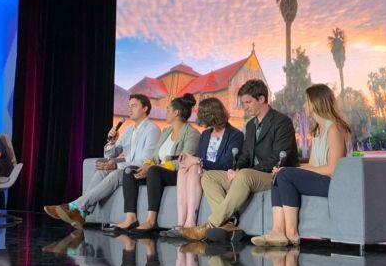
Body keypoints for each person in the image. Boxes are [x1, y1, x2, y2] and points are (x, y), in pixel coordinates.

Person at [182, 79, 299, 242]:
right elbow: (244, 155)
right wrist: (235, 169)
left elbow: (278, 158)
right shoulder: (251, 125)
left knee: (244, 175)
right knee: (209, 177)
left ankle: (211, 224)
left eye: (248, 102)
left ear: (262, 99)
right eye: (243, 103)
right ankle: (228, 224)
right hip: (249, 175)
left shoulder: (282, 122)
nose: (245, 107)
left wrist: (245, 172)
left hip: (275, 175)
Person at [253, 84, 351, 247]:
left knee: (285, 174)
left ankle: (291, 233)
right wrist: (288, 170)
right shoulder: (318, 130)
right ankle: (277, 231)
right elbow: (312, 165)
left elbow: (333, 168)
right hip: (321, 178)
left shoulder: (334, 128)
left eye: (306, 101)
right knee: (279, 174)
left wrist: (290, 172)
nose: (304, 105)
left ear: (315, 103)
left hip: (333, 183)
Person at [44, 94, 160, 228]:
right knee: (101, 172)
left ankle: (74, 206)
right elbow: (110, 153)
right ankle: (82, 214)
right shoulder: (129, 130)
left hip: (140, 172)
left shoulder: (152, 130)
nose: (129, 109)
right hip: (126, 170)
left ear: (145, 108)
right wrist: (111, 142)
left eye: (134, 106)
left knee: (116, 173)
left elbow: (145, 161)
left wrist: (116, 164)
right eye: (129, 106)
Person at [110, 94, 200, 234]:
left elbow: (184, 161)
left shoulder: (192, 134)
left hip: (177, 173)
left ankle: (151, 220)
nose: (166, 112)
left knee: (154, 171)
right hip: (157, 171)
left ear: (176, 113)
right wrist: (147, 165)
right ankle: (130, 218)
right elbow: (154, 157)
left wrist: (154, 167)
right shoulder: (166, 132)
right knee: (129, 171)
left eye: (168, 110)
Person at [161, 97, 243, 239]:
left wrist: (197, 161)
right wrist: (188, 160)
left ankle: (190, 222)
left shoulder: (235, 135)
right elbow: (198, 158)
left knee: (193, 168)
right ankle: (181, 222)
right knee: (184, 168)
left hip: (219, 173)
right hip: (202, 170)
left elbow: (226, 164)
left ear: (212, 115)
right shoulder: (206, 134)